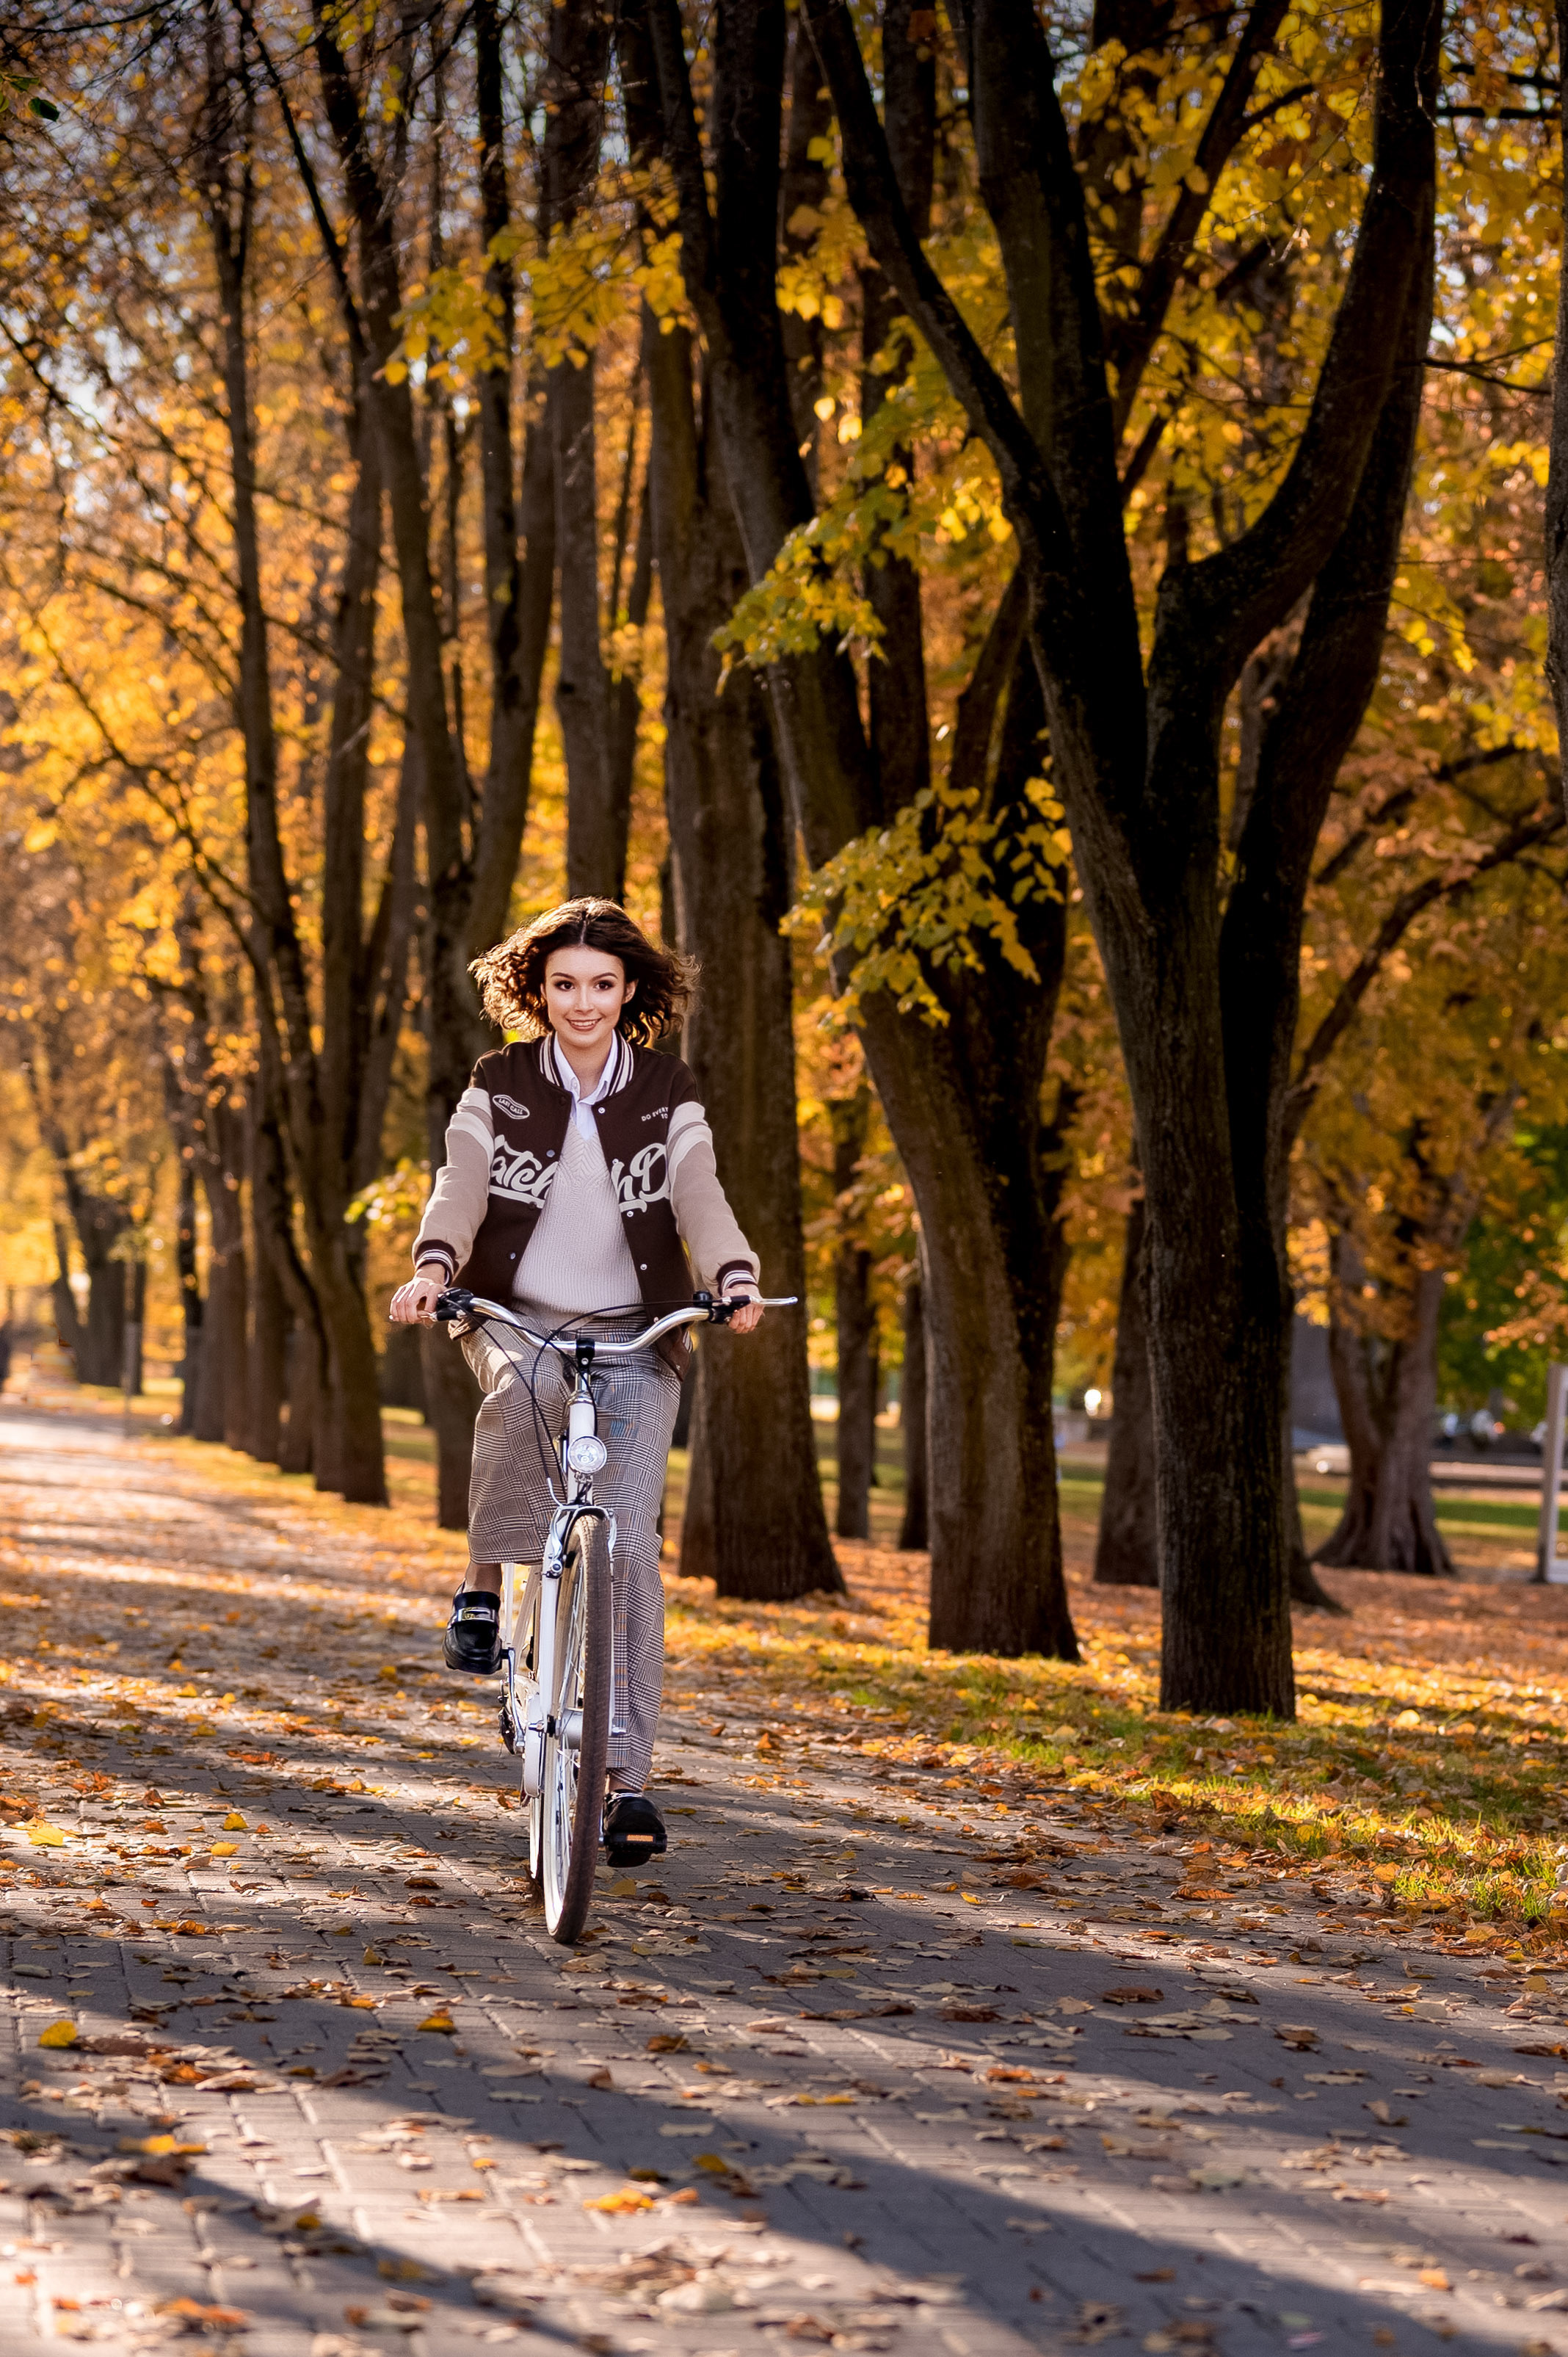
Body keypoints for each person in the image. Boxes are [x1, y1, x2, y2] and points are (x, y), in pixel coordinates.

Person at [390, 897, 763, 1869]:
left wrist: (732, 1273)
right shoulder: (500, 1081)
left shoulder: (667, 1089)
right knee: (523, 1394)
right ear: (540, 991)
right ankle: (484, 1582)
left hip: (637, 1334)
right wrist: (434, 1266)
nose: (583, 1002)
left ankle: (624, 1782)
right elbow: (460, 1180)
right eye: (564, 985)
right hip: (513, 1317)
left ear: (630, 990)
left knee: (628, 1547)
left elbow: (700, 1189)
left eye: (602, 984)